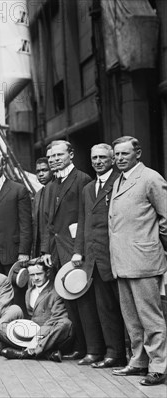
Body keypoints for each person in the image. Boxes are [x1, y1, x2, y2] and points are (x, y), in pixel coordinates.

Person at [108, 136, 167, 386]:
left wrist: (158, 249)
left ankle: (159, 366)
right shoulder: (118, 181)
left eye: (124, 154)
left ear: (138, 153)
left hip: (143, 260)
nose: (119, 158)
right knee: (132, 318)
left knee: (150, 317)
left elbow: (165, 219)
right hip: (122, 262)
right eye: (117, 154)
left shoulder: (151, 178)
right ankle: (139, 361)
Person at [40, 140, 103, 363]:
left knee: (85, 302)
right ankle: (79, 346)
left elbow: (86, 220)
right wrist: (45, 249)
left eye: (59, 155)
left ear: (71, 155)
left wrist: (79, 251)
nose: (55, 159)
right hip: (58, 252)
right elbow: (47, 222)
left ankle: (94, 349)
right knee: (69, 303)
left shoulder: (82, 180)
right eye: (51, 157)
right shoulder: (50, 186)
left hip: (77, 252)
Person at [72, 144, 126, 368]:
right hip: (92, 258)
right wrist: (78, 251)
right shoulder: (89, 188)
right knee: (98, 307)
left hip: (114, 257)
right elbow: (83, 222)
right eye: (94, 157)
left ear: (112, 159)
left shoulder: (120, 183)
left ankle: (119, 353)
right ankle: (100, 351)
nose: (98, 161)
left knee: (117, 309)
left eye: (103, 157)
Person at [0, 260, 71, 362]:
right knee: (2, 327)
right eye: (32, 275)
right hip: (33, 332)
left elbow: (57, 317)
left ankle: (26, 353)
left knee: (65, 323)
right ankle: (47, 354)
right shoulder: (29, 291)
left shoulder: (55, 291)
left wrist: (38, 336)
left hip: (48, 333)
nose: (36, 278)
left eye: (39, 274)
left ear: (47, 273)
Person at [31, 157, 53, 257]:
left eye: (44, 170)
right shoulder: (38, 195)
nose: (41, 174)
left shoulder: (55, 189)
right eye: (38, 171)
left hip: (53, 247)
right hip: (40, 248)